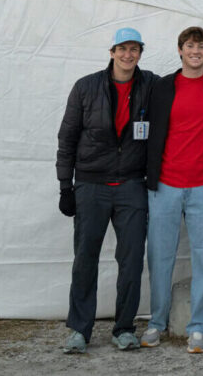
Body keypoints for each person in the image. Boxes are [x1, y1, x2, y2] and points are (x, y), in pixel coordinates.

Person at [55, 27, 156, 353]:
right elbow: (67, 138)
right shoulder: (86, 87)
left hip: (131, 185)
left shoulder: (151, 85)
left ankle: (124, 328)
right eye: (122, 49)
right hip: (91, 185)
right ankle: (79, 331)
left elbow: (183, 93)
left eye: (134, 49)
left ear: (140, 53)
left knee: (131, 261)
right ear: (112, 52)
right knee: (85, 258)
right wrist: (64, 186)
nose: (128, 55)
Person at [141, 27, 203, 353]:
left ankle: (198, 328)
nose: (196, 51)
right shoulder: (162, 87)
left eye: (201, 46)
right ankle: (156, 322)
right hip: (165, 184)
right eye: (190, 46)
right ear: (180, 50)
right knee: (159, 257)